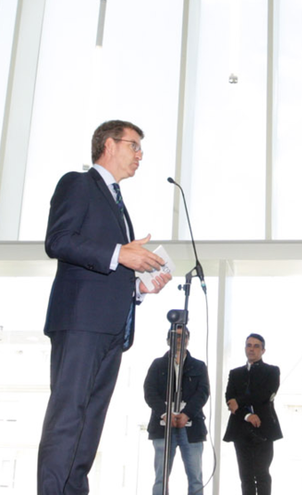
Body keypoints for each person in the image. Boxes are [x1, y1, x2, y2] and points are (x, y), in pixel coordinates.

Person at [38, 120, 172, 494]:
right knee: (67, 418)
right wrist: (120, 252)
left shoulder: (117, 201)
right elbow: (59, 240)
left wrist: (141, 286)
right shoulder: (77, 184)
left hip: (112, 328)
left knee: (90, 422)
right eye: (134, 146)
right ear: (109, 145)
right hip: (80, 322)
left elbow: (111, 266)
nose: (140, 155)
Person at [144, 326, 210, 495]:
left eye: (183, 336)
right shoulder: (158, 364)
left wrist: (187, 413)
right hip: (163, 426)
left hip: (191, 426)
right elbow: (149, 392)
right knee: (161, 477)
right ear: (168, 340)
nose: (180, 339)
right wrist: (165, 413)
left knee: (195, 477)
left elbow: (203, 393)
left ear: (189, 339)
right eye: (176, 336)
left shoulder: (199, 366)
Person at [223, 334, 283, 495]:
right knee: (245, 476)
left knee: (262, 473)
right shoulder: (235, 373)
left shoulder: (272, 371)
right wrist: (247, 415)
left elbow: (264, 394)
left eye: (256, 346)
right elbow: (230, 399)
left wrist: (240, 401)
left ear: (263, 350)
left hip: (264, 427)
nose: (252, 349)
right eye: (249, 345)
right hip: (240, 428)